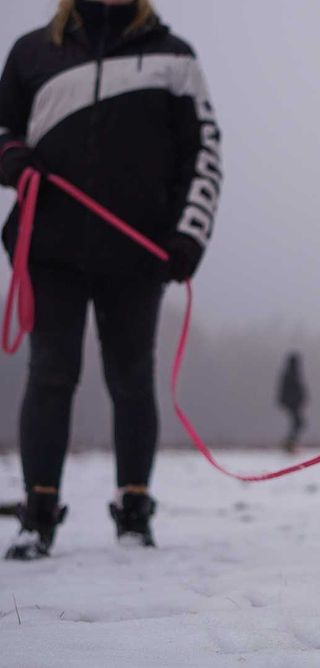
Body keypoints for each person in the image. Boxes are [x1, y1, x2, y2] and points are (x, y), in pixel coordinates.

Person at [0, 0, 222, 559]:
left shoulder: (176, 58)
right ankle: (38, 514)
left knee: (131, 380)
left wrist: (188, 236)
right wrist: (15, 160)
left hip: (138, 254)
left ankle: (134, 511)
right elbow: (2, 133)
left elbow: (205, 153)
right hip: (50, 248)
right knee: (51, 374)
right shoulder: (31, 53)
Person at [277, 352, 308, 452]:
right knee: (298, 423)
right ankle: (289, 443)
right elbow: (290, 389)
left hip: (293, 403)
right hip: (292, 403)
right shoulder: (291, 374)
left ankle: (290, 443)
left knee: (298, 423)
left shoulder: (291, 373)